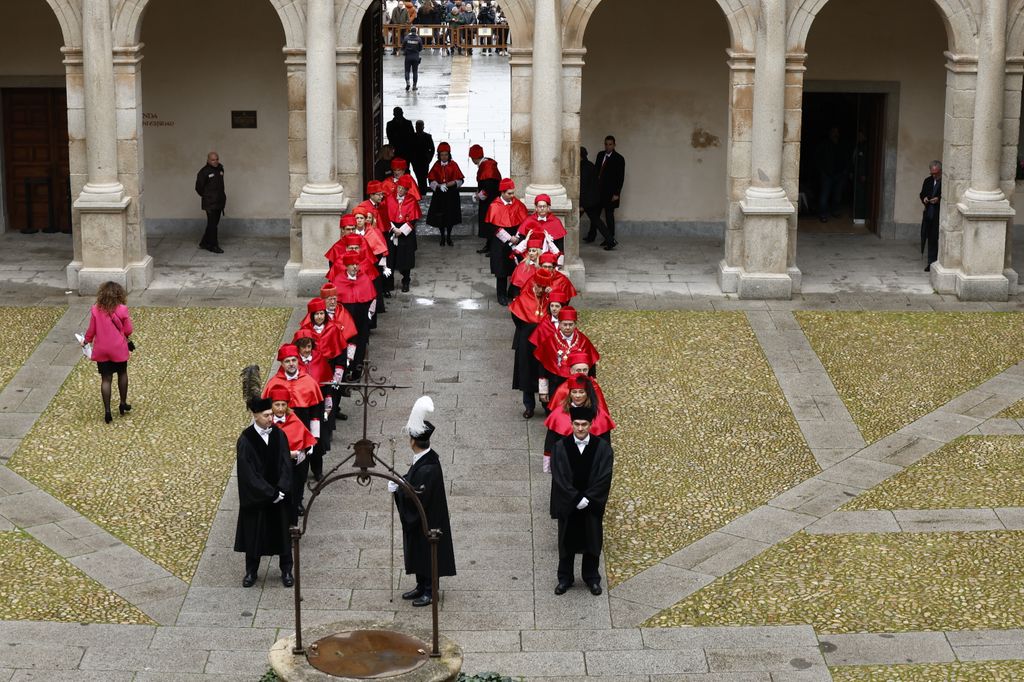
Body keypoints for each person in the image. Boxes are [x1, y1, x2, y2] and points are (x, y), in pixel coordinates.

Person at [388, 396, 456, 607]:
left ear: (412, 441)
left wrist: (399, 489)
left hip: (428, 518)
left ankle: (430, 590)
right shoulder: (425, 460)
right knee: (419, 551)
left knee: (427, 553)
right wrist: (402, 482)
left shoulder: (428, 467)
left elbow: (417, 494)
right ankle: (421, 585)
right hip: (424, 517)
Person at [550, 404, 613, 596]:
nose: (580, 428)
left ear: (591, 424)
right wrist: (575, 498)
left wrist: (589, 498)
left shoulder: (602, 448)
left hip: (591, 505)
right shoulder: (560, 447)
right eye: (576, 424)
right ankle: (565, 578)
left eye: (584, 424)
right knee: (566, 542)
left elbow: (604, 477)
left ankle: (591, 577)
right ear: (571, 423)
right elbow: (559, 477)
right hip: (569, 505)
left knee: (592, 541)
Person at [235, 396, 293, 588]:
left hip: (279, 495)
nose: (272, 418)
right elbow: (247, 474)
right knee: (255, 535)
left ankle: (286, 570)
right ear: (255, 415)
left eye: (271, 414)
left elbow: (286, 462)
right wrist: (270, 493)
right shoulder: (245, 440)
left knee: (283, 535)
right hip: (258, 498)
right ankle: (251, 571)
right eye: (267, 415)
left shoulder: (279, 434)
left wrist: (283, 488)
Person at [83, 281, 134, 424]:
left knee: (106, 379)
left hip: (102, 350)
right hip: (118, 349)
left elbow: (91, 331)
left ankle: (107, 411)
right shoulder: (122, 309)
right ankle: (123, 404)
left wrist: (86, 342)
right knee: (122, 374)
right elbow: (129, 330)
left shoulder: (95, 310)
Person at [534, 306, 600, 411]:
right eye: (565, 324)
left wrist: (594, 387)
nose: (567, 327)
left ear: (575, 325)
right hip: (556, 385)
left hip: (579, 388)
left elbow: (591, 365)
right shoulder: (550, 341)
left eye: (571, 324)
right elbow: (543, 366)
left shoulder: (583, 341)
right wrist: (543, 390)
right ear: (559, 324)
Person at [267, 387, 316, 522]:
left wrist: (297, 454)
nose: (280, 408)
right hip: (273, 466)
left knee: (293, 490)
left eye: (283, 404)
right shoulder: (266, 422)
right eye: (277, 404)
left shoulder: (294, 419)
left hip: (293, 465)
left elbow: (304, 439)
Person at [510, 268, 553, 419]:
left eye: (543, 287)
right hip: (527, 342)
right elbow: (517, 318)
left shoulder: (550, 299)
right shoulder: (524, 298)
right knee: (526, 374)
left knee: (544, 374)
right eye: (539, 287)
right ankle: (529, 406)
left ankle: (546, 404)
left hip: (545, 344)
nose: (540, 290)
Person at [262, 344, 324, 441]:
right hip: (279, 431)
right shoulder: (273, 383)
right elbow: (265, 412)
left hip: (305, 427)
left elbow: (315, 413)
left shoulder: (309, 381)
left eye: (294, 360)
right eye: (287, 361)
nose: (291, 363)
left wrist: (314, 436)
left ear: (298, 361)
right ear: (282, 364)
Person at [487, 178, 528, 305]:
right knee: (501, 270)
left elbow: (523, 222)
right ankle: (501, 295)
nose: (512, 196)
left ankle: (513, 292)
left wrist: (517, 237)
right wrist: (509, 238)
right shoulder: (494, 206)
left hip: (516, 240)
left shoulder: (518, 204)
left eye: (513, 193)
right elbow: (494, 227)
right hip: (500, 243)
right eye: (509, 193)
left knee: (516, 269)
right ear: (502, 192)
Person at [426, 142, 465, 246]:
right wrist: (439, 185)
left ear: (449, 155)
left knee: (450, 216)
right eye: (442, 154)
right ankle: (442, 236)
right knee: (440, 217)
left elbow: (460, 180)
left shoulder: (454, 165)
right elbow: (430, 180)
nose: (444, 157)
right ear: (439, 155)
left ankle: (449, 237)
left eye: (446, 154)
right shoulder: (436, 165)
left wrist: (451, 183)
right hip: (439, 195)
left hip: (451, 195)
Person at [591, 136, 623, 250]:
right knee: (594, 214)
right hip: (598, 191)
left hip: (610, 193)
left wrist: (616, 193)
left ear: (614, 145)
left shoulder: (619, 158)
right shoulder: (600, 155)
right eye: (606, 144)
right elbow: (596, 171)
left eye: (610, 144)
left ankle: (610, 238)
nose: (607, 146)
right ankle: (591, 235)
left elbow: (620, 178)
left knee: (609, 216)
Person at [469, 144, 502, 253]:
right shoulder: (488, 165)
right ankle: (489, 245)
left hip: (490, 202)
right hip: (490, 200)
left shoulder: (486, 167)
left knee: (490, 224)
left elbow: (488, 188)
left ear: (474, 158)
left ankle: (492, 247)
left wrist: (478, 196)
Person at [580, 146, 613, 247]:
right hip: (592, 199)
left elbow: (583, 186)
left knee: (572, 221)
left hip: (586, 200)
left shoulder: (582, 167)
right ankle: (610, 240)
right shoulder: (590, 165)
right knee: (596, 220)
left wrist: (581, 204)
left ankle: (563, 242)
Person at [194, 151, 226, 253]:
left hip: (219, 202)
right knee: (213, 225)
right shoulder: (204, 172)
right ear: (208, 160)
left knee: (213, 224)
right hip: (210, 203)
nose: (215, 161)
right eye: (213, 160)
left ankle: (204, 243)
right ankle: (213, 246)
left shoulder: (220, 169)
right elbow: (198, 187)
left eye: (217, 159)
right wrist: (207, 197)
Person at [815, 126, 847, 223]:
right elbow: (817, 158)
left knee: (837, 195)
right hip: (827, 175)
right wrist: (822, 171)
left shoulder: (842, 144)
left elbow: (846, 157)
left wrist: (845, 170)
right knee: (825, 195)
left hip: (839, 174)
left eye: (837, 132)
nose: (835, 134)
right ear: (830, 133)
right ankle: (823, 214)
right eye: (833, 132)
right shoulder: (824, 144)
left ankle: (835, 211)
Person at [920, 160, 942, 272]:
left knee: (938, 239)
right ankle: (931, 263)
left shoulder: (944, 182)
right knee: (930, 239)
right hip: (929, 214)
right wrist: (924, 198)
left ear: (941, 171)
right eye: (932, 173)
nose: (934, 175)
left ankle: (939, 262)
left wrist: (938, 200)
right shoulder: (928, 181)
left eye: (936, 173)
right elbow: (922, 193)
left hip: (939, 215)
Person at [412, 121, 436, 196]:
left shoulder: (428, 136)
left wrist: (429, 159)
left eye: (419, 126)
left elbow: (432, 149)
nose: (418, 128)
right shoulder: (412, 136)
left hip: (424, 161)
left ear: (423, 127)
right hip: (416, 161)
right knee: (419, 177)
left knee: (423, 178)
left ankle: (422, 192)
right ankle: (421, 192)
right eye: (417, 126)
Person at [402, 26, 424, 91]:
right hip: (415, 57)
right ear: (416, 31)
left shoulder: (406, 38)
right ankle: (414, 86)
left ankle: (408, 83)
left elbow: (403, 47)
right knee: (415, 72)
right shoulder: (419, 39)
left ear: (410, 31)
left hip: (408, 57)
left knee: (407, 71)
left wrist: (406, 51)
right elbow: (420, 48)